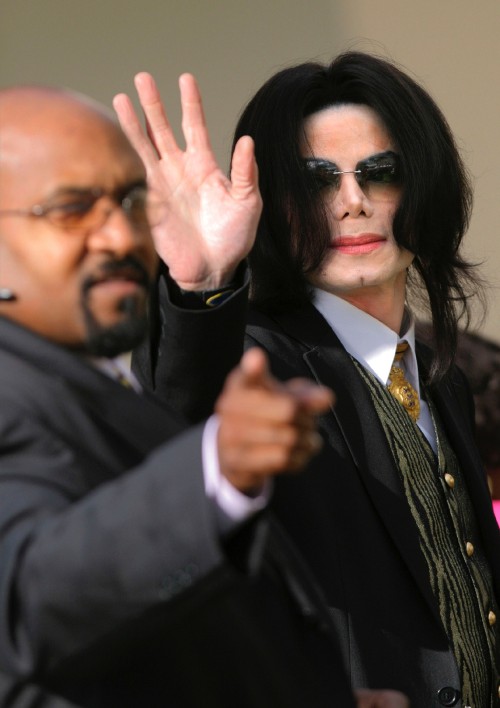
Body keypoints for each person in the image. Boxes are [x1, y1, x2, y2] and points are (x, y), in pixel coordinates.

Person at [126, 54, 500, 707]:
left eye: (380, 172)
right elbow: (174, 437)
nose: (352, 203)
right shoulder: (256, 365)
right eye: (316, 180)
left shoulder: (444, 382)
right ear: (275, 203)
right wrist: (201, 284)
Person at [0, 82, 370, 708]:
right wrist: (215, 467)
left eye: (131, 201)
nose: (119, 237)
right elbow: (34, 598)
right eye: (71, 209)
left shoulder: (89, 372)